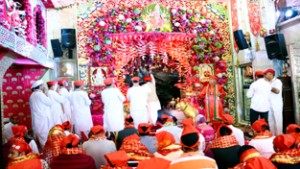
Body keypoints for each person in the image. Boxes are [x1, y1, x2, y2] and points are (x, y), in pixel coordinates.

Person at [29, 79, 52, 147]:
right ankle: (45, 152)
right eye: (42, 85)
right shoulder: (40, 94)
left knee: (39, 135)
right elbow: (49, 102)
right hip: (42, 118)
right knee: (44, 135)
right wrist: (45, 94)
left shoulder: (32, 95)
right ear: (39, 87)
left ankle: (41, 151)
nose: (43, 87)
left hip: (37, 118)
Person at [264, 68, 284, 135]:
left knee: (278, 121)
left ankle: (279, 136)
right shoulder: (267, 82)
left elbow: (277, 91)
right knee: (270, 121)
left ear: (271, 74)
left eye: (266, 74)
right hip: (268, 105)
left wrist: (268, 86)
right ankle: (273, 136)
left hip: (276, 104)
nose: (265, 76)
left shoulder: (277, 81)